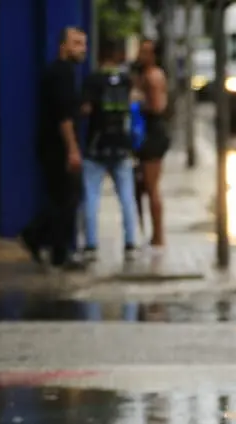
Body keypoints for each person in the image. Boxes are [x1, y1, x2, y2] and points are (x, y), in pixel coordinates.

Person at [22, 26, 88, 271]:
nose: (83, 49)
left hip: (52, 144)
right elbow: (64, 116)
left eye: (83, 43)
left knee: (63, 198)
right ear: (63, 46)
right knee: (67, 199)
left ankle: (56, 249)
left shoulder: (61, 72)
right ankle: (38, 237)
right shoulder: (63, 73)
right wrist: (72, 149)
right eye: (77, 43)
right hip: (58, 146)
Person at [80, 37, 139, 262]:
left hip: (97, 145)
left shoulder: (92, 80)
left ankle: (91, 245)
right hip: (121, 145)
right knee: (126, 197)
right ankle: (130, 243)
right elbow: (133, 105)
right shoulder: (125, 80)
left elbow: (85, 109)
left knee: (91, 196)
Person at [133, 39, 169, 248]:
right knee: (147, 185)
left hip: (152, 134)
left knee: (151, 186)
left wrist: (138, 103)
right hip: (151, 133)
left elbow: (157, 106)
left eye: (145, 52)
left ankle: (158, 235)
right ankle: (155, 233)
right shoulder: (148, 74)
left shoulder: (152, 76)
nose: (140, 55)